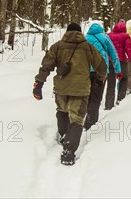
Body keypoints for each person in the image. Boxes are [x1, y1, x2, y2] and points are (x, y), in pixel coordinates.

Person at [32, 22, 106, 166]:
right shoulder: (88, 47)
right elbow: (101, 66)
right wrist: (98, 79)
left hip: (61, 89)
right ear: (80, 32)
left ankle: (65, 135)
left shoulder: (57, 46)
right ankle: (68, 152)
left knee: (62, 111)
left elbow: (46, 66)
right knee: (77, 119)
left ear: (67, 32)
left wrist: (39, 84)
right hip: (80, 89)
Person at [84, 22, 121, 130]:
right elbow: (113, 54)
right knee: (96, 97)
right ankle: (91, 123)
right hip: (101, 71)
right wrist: (118, 70)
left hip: (86, 71)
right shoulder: (104, 37)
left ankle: (86, 118)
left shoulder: (86, 38)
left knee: (87, 95)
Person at [108, 20, 131, 105]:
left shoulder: (109, 35)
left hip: (110, 61)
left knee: (111, 83)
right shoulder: (125, 36)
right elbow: (128, 49)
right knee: (124, 79)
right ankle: (120, 100)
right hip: (121, 61)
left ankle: (108, 104)